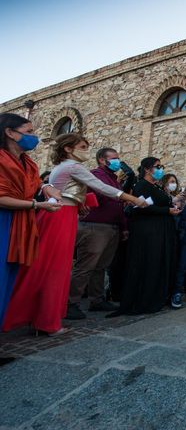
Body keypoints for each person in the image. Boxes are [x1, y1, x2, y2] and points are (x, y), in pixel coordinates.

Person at [3, 133, 146, 335]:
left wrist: (80, 204)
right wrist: (134, 199)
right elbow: (102, 187)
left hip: (62, 215)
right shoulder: (73, 167)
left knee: (50, 268)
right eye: (82, 146)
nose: (86, 150)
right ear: (68, 149)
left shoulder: (64, 168)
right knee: (55, 270)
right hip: (60, 217)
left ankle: (41, 318)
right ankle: (46, 322)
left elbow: (70, 192)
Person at [0, 114, 61, 327]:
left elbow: (32, 184)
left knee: (8, 281)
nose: (34, 137)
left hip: (21, 224)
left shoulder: (28, 162)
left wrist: (45, 187)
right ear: (9, 132)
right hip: (4, 222)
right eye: (28, 132)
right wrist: (37, 205)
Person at [112, 157, 181, 316]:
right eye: (158, 166)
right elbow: (142, 208)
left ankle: (156, 295)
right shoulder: (142, 185)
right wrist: (167, 211)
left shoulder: (155, 186)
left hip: (160, 229)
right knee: (149, 262)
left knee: (158, 263)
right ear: (148, 169)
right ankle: (144, 299)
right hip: (149, 231)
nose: (160, 169)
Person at [66, 147, 129, 319]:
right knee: (85, 266)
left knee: (101, 266)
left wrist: (123, 227)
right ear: (102, 160)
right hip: (95, 227)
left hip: (111, 227)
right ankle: (70, 303)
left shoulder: (113, 178)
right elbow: (101, 198)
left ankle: (97, 300)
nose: (118, 161)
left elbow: (118, 205)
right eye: (114, 158)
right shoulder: (95, 176)